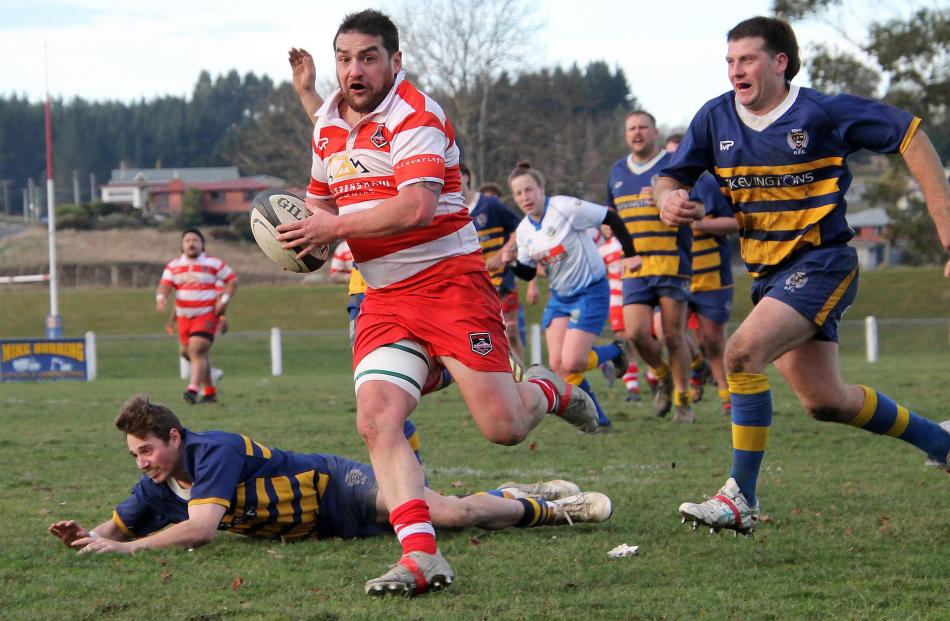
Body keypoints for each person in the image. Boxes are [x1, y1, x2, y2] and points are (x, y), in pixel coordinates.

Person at [276, 10, 600, 597]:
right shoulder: (325, 126)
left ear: (394, 62)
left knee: (503, 428)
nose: (355, 69)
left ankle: (549, 388)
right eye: (345, 58)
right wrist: (299, 238)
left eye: (369, 57)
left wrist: (331, 228)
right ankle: (422, 559)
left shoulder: (416, 115)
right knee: (377, 420)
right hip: (383, 295)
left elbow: (415, 208)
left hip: (450, 285)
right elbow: (319, 205)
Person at [656, 15, 950, 535]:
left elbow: (911, 135)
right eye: (729, 61)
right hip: (768, 275)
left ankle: (739, 498)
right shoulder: (715, 119)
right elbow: (671, 175)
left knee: (741, 353)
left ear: (779, 62)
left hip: (822, 263)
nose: (734, 71)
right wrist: (667, 199)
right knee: (825, 402)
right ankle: (942, 443)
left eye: (746, 59)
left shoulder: (822, 112)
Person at [48, 396, 612, 557]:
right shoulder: (154, 485)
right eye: (134, 456)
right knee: (447, 509)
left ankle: (552, 508)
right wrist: (90, 537)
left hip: (339, 485)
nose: (142, 462)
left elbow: (200, 530)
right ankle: (523, 494)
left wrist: (126, 551)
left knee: (446, 515)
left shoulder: (209, 450)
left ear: (174, 437)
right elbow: (119, 525)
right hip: (326, 529)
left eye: (147, 450)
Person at [503, 161, 640, 432]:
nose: (525, 198)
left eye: (529, 190)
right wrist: (511, 263)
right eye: (518, 194)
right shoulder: (524, 231)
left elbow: (609, 217)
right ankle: (600, 421)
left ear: (541, 188)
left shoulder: (565, 207)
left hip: (591, 290)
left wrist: (632, 253)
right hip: (561, 296)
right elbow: (528, 273)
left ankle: (617, 350)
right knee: (558, 366)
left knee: (573, 361)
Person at [608, 111, 694, 422]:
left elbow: (698, 208)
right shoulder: (617, 171)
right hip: (635, 266)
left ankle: (683, 402)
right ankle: (662, 375)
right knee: (636, 334)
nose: (637, 133)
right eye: (631, 128)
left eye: (643, 127)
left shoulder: (672, 168)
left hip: (671, 262)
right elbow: (611, 214)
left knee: (673, 335)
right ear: (626, 134)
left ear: (655, 131)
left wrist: (670, 203)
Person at [156, 229, 236, 404]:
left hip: (206, 314)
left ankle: (192, 390)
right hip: (184, 316)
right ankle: (209, 391)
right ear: (182, 245)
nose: (191, 243)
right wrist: (161, 297)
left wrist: (224, 303)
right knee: (188, 353)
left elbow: (232, 280)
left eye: (195, 240)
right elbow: (165, 286)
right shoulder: (174, 266)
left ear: (202, 244)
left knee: (197, 350)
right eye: (187, 240)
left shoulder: (213, 263)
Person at [462, 163, 526, 361]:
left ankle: (523, 374)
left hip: (502, 279)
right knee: (491, 334)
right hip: (475, 286)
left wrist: (503, 253)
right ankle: (511, 376)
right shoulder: (450, 211)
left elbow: (520, 227)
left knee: (510, 330)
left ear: (465, 177)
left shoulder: (489, 204)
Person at [596, 224, 641, 402]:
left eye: (609, 223)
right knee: (624, 341)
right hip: (615, 300)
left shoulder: (631, 242)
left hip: (636, 295)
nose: (607, 228)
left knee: (640, 338)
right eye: (603, 225)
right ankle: (633, 389)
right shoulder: (603, 250)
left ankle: (655, 378)